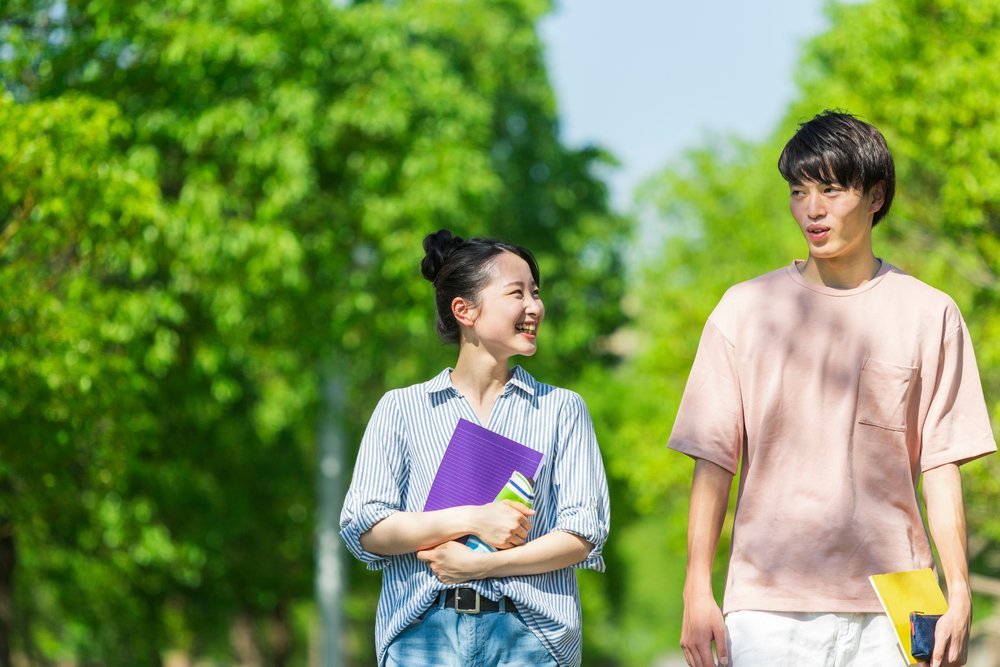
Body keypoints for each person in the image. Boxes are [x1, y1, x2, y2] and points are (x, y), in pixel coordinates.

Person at [668, 110, 996, 667]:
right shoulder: (745, 311)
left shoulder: (930, 314)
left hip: (900, 602)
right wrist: (696, 590)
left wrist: (959, 589)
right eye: (799, 192)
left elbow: (941, 464)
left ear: (875, 196)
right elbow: (713, 460)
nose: (811, 209)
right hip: (770, 606)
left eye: (831, 190)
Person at [340, 230, 610, 667]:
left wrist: (481, 567)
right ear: (464, 309)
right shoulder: (402, 409)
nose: (534, 307)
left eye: (536, 294)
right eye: (516, 293)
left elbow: (581, 534)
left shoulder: (562, 409)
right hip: (422, 635)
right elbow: (367, 528)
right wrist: (474, 519)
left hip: (531, 636)